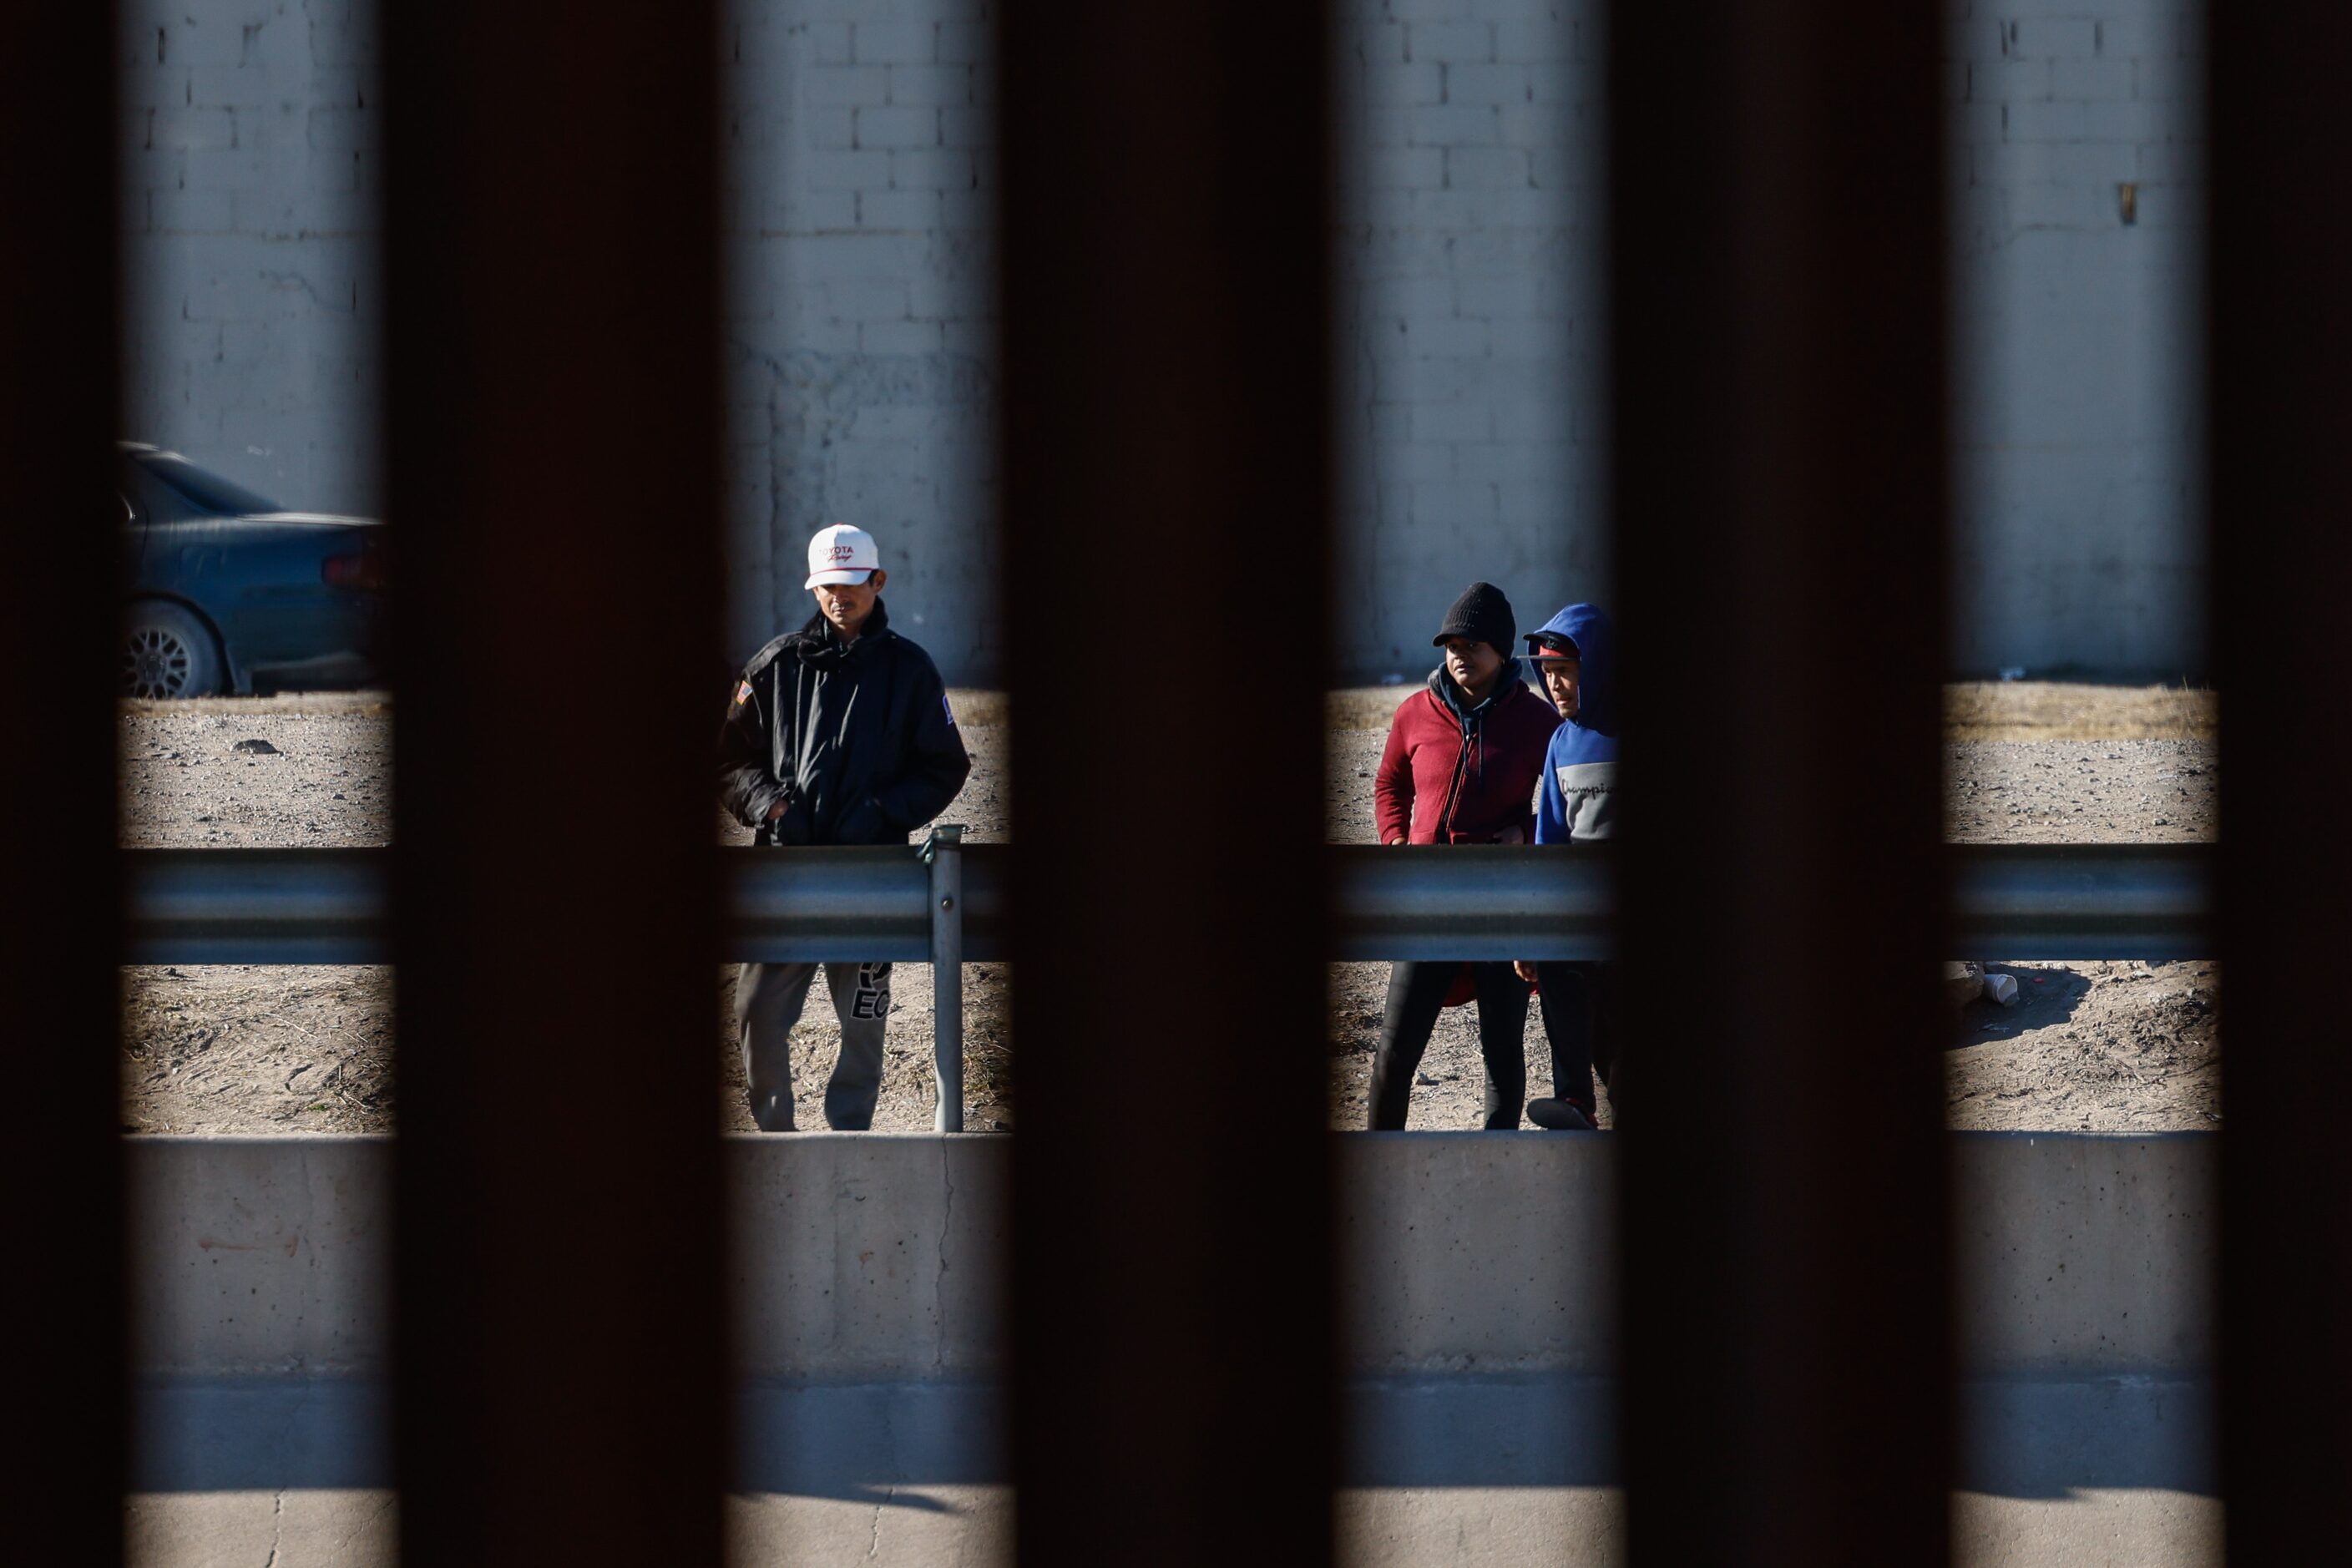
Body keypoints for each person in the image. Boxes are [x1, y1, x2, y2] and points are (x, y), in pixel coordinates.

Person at [718, 523, 972, 1131]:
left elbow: (946, 765)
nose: (840, 596)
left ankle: (851, 1130)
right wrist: (773, 805)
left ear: (877, 581)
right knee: (755, 1011)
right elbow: (729, 760)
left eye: (853, 583)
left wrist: (883, 811)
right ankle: (775, 1136)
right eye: (828, 585)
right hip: (786, 874)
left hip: (872, 876)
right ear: (813, 587)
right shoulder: (774, 665)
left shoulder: (910, 671)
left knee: (864, 1018)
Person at [1368, 582, 1560, 1130]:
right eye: (1450, 644)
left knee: (1501, 1055)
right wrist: (1396, 843)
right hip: (1427, 905)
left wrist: (1523, 832)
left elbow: (1562, 799)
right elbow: (1388, 784)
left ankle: (1498, 1166)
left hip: (1503, 903)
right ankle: (1379, 1160)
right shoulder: (1413, 713)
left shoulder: (1534, 721)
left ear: (1500, 654)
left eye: (1472, 645)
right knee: (1394, 1053)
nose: (1458, 655)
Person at [1515, 604, 1621, 1131]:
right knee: (1560, 977)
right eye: (1547, 672)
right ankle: (1575, 1102)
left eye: (1566, 672)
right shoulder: (1561, 743)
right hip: (1581, 920)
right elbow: (1549, 842)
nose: (1555, 684)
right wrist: (1536, 928)